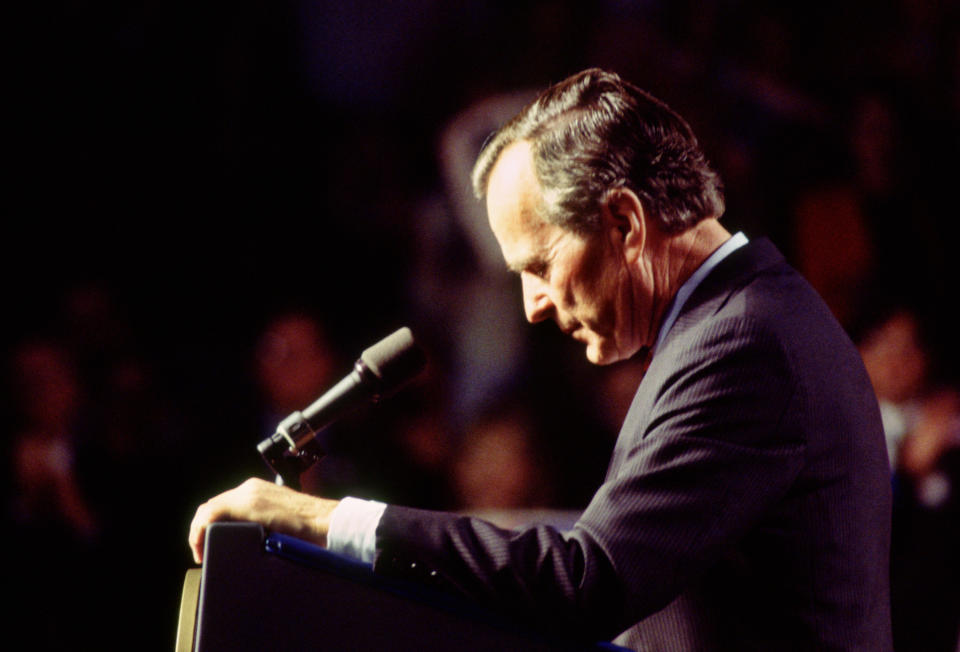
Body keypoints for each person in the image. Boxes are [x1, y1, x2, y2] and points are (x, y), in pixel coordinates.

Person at [189, 68, 892, 650]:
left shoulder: (743, 344)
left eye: (540, 264)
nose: (532, 304)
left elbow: (585, 583)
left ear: (625, 222)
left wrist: (320, 520)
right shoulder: (737, 320)